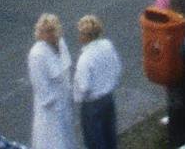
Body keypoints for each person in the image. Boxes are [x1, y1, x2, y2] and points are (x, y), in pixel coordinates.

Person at [27, 15, 77, 149]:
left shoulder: (61, 43)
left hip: (65, 102)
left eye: (53, 30)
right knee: (53, 141)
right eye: (47, 31)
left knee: (67, 138)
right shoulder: (37, 54)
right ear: (40, 33)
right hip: (51, 111)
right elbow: (41, 86)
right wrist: (55, 106)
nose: (51, 34)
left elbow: (66, 70)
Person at [72, 15, 122, 149]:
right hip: (108, 98)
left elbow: (84, 86)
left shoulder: (85, 58)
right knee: (110, 136)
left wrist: (79, 97)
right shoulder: (108, 46)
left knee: (95, 141)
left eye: (80, 33)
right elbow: (117, 68)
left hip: (92, 104)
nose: (79, 37)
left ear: (86, 36)